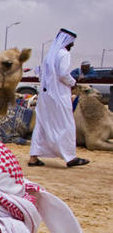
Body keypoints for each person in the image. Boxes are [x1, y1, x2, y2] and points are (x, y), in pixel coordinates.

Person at [29, 28, 89, 167]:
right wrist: (73, 82)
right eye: (72, 42)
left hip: (45, 97)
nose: (72, 45)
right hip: (59, 96)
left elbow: (40, 73)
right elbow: (63, 74)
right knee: (66, 124)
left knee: (42, 125)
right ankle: (70, 157)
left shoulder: (50, 55)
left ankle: (33, 158)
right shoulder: (63, 54)